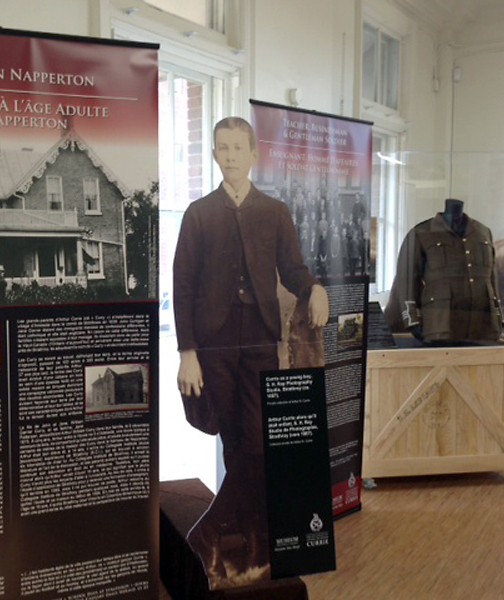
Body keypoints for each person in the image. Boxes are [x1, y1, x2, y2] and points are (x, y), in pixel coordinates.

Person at [173, 116, 329, 587]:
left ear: (253, 154)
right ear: (214, 155)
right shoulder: (198, 214)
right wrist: (187, 352)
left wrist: (315, 288)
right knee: (234, 441)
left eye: (238, 148)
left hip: (260, 340)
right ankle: (251, 543)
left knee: (258, 441)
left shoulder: (275, 211)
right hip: (214, 345)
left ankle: (209, 533)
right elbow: (182, 287)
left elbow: (293, 269)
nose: (230, 156)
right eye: (222, 148)